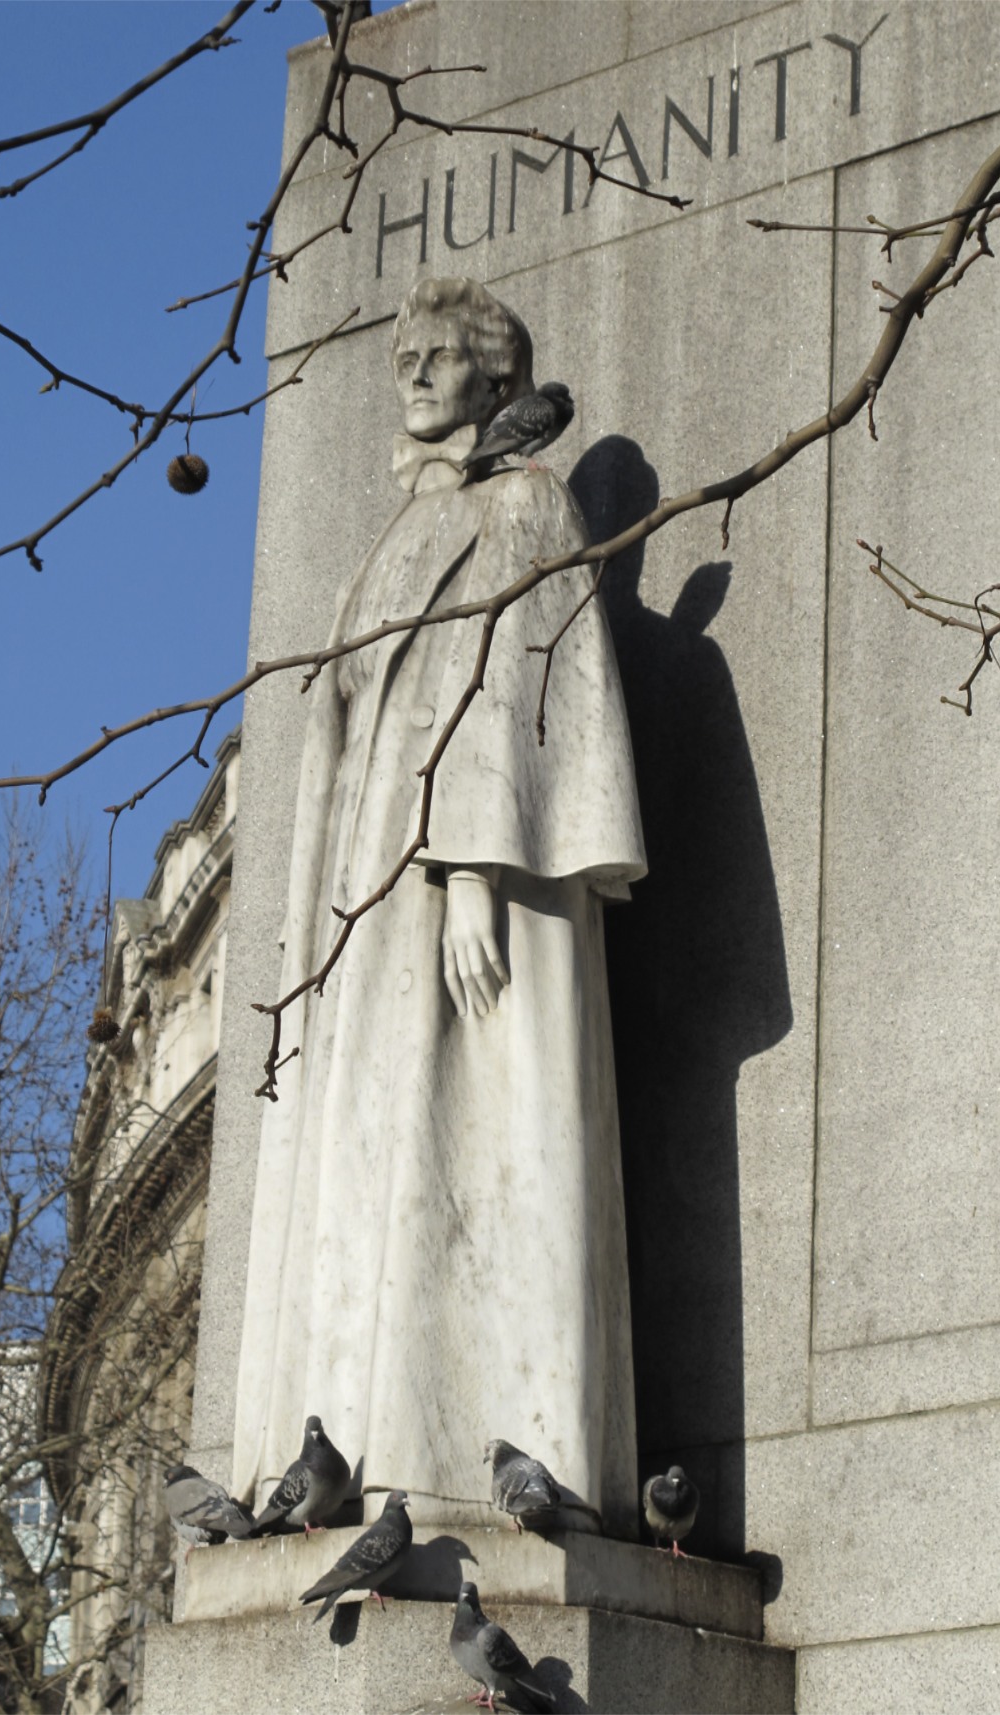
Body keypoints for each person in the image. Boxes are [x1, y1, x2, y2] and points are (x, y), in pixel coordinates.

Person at [233, 277, 646, 1533]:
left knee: (466, 1143)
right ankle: (361, 1440)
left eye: (443, 354)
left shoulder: (527, 504)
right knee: (382, 1166)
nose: (414, 371)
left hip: (468, 879)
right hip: (372, 890)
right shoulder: (401, 530)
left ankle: (469, 1444)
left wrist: (473, 863)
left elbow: (516, 681)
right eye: (403, 353)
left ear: (498, 379)